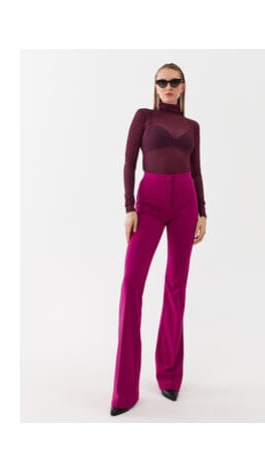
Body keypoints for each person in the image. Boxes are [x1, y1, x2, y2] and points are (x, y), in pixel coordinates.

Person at [110, 63, 207, 416]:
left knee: (176, 285)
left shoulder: (192, 126)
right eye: (162, 81)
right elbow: (128, 162)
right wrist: (129, 207)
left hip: (185, 203)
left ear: (183, 86)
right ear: (155, 86)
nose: (168, 86)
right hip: (148, 202)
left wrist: (203, 211)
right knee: (131, 284)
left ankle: (169, 375)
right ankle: (124, 391)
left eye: (174, 81)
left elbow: (196, 170)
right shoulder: (144, 117)